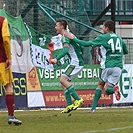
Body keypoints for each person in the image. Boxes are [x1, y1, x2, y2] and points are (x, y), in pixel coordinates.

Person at [63, 20, 128, 112]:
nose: (102, 28)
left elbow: (86, 44)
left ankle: (93, 109)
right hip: (118, 67)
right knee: (107, 91)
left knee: (100, 85)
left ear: (107, 28)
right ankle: (114, 89)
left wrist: (73, 38)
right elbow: (126, 51)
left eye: (103, 26)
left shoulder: (103, 37)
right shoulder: (119, 38)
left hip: (107, 65)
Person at [49, 19, 84, 113]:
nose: (55, 27)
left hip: (76, 63)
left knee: (62, 80)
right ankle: (69, 105)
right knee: (64, 82)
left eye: (57, 25)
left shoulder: (65, 36)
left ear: (61, 27)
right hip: (76, 62)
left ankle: (78, 99)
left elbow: (65, 50)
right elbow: (81, 47)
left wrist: (56, 59)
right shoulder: (69, 34)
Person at [0, 16, 22, 125]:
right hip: (2, 61)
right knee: (8, 86)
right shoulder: (2, 20)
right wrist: (9, 57)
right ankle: (11, 116)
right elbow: (6, 40)